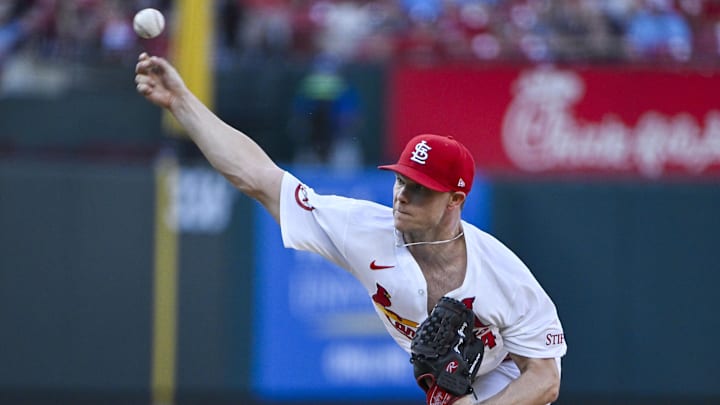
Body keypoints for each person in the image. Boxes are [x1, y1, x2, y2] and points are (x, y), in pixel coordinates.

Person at [134, 52, 567, 404]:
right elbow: (258, 177)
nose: (402, 195)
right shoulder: (362, 229)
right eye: (401, 181)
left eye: (421, 189)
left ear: (455, 200)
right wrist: (182, 102)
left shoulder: (505, 277)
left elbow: (545, 378)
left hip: (510, 385)